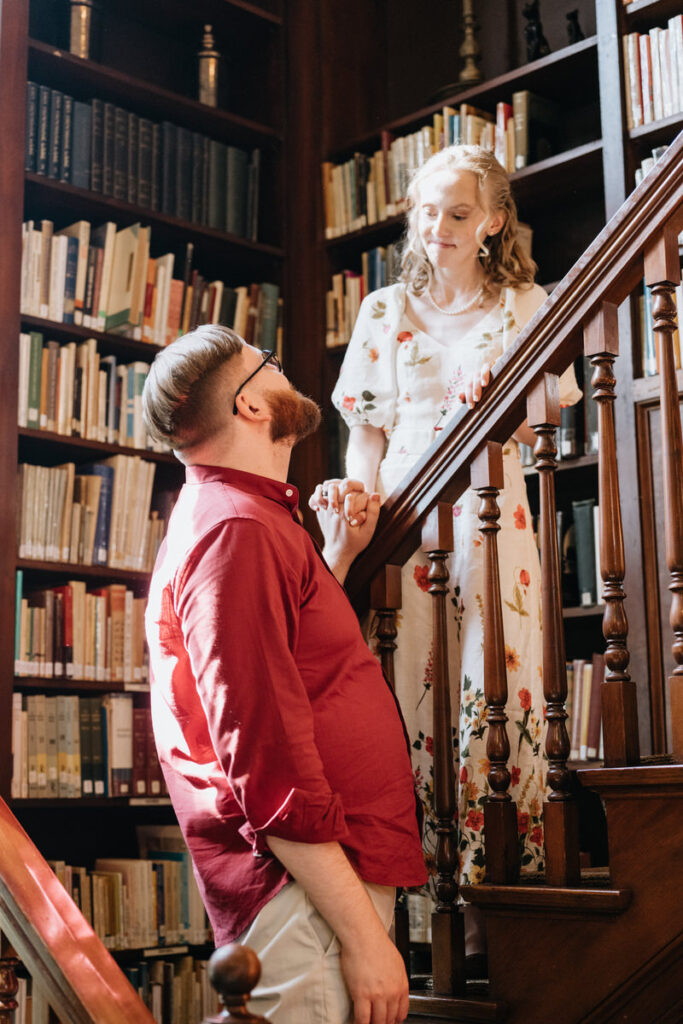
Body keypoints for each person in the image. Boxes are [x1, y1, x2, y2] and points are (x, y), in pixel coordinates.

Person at [311, 144, 581, 965]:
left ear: (493, 219)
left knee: (495, 699)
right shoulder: (383, 310)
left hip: (495, 528)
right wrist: (358, 500)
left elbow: (543, 428)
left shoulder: (526, 306)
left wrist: (501, 413)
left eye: (457, 214)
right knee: (404, 713)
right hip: (405, 531)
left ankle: (491, 905)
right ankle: (417, 907)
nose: (437, 229)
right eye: (425, 213)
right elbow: (363, 436)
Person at [142, 324, 427, 1024]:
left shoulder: (245, 521)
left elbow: (281, 665)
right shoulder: (235, 529)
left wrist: (337, 557)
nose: (283, 372)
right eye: (267, 364)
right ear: (249, 406)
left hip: (318, 885)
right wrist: (363, 938)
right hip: (305, 897)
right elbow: (264, 757)